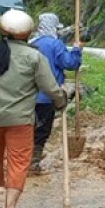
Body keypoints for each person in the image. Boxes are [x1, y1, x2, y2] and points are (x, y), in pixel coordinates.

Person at [0, 10, 67, 208]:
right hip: (20, 121)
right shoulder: (34, 57)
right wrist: (61, 101)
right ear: (28, 33)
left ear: (1, 30)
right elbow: (50, 88)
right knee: (19, 162)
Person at [29, 12, 84, 174]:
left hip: (28, 96)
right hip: (47, 95)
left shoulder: (32, 43)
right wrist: (76, 51)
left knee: (28, 129)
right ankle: (33, 163)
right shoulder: (55, 45)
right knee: (42, 130)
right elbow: (70, 63)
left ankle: (22, 162)